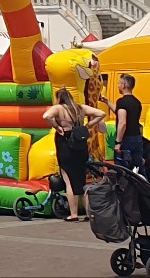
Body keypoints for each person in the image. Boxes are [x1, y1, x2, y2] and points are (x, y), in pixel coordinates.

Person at [42, 87, 105, 222]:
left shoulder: (58, 108)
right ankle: (89, 214)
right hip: (80, 144)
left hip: (65, 142)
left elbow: (46, 116)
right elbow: (101, 113)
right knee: (81, 180)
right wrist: (88, 125)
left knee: (68, 180)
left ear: (59, 98)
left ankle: (74, 213)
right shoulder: (79, 108)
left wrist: (57, 126)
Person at [113, 74, 146, 170]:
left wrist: (118, 142)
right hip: (137, 137)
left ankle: (123, 185)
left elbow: (122, 122)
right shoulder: (136, 102)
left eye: (119, 83)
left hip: (126, 139)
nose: (118, 86)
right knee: (137, 167)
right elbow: (120, 112)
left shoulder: (122, 102)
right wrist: (107, 102)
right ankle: (142, 183)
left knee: (122, 168)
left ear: (123, 85)